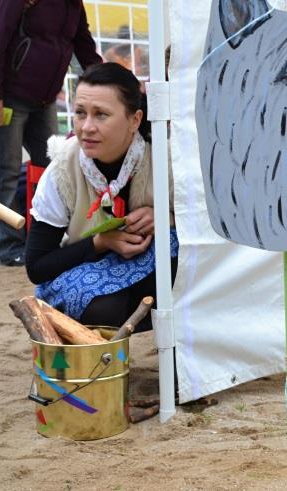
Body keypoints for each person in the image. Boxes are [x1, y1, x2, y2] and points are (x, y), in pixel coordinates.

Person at [25, 62, 177, 330]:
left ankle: (177, 352)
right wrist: (100, 242)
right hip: (84, 272)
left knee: (185, 263)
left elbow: (211, 227)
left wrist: (169, 218)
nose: (87, 127)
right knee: (102, 305)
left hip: (149, 269)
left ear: (135, 120)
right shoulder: (63, 168)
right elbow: (37, 267)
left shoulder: (166, 159)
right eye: (80, 113)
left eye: (101, 115)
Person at [0, 0, 102, 267]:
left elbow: (83, 45)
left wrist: (110, 79)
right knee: (6, 171)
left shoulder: (73, 5)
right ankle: (9, 246)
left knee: (52, 168)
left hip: (44, 100)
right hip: (7, 97)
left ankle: (42, 239)